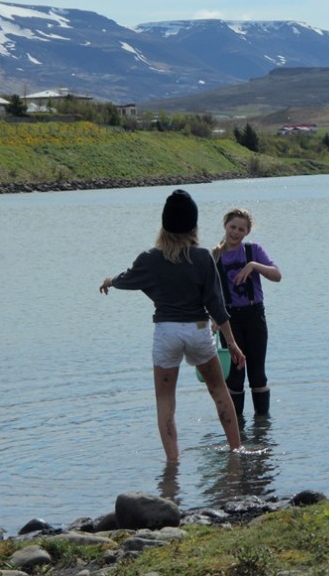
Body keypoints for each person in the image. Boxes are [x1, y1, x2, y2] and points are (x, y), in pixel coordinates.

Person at [99, 189, 246, 461]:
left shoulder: (150, 259)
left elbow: (126, 279)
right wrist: (233, 343)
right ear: (194, 225)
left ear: (164, 224)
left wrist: (110, 281)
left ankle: (172, 464)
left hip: (166, 332)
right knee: (218, 390)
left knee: (165, 400)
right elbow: (216, 305)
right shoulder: (202, 257)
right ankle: (237, 450)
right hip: (199, 329)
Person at [212, 208, 282, 418]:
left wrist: (253, 266)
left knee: (257, 374)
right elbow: (208, 292)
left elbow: (277, 276)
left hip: (254, 315)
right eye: (232, 227)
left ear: (247, 232)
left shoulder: (253, 251)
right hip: (228, 319)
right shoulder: (214, 256)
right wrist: (214, 318)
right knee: (234, 376)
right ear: (225, 225)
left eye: (241, 229)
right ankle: (237, 429)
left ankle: (262, 428)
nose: (235, 232)